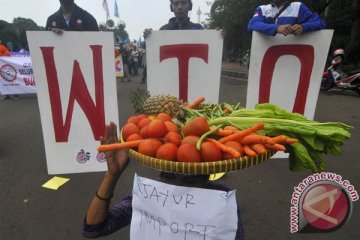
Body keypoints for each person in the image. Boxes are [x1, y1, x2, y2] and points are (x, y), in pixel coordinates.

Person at [82, 122, 246, 239]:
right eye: (168, 177)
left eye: (190, 182)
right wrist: (112, 175)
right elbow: (94, 228)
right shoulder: (151, 197)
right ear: (160, 176)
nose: (177, 187)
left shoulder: (221, 200)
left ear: (207, 177)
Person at [248, 0, 325, 36]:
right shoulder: (262, 9)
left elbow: (319, 22)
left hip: (292, 55)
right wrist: (277, 28)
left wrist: (303, 27)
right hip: (266, 56)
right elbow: (252, 24)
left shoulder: (298, 6)